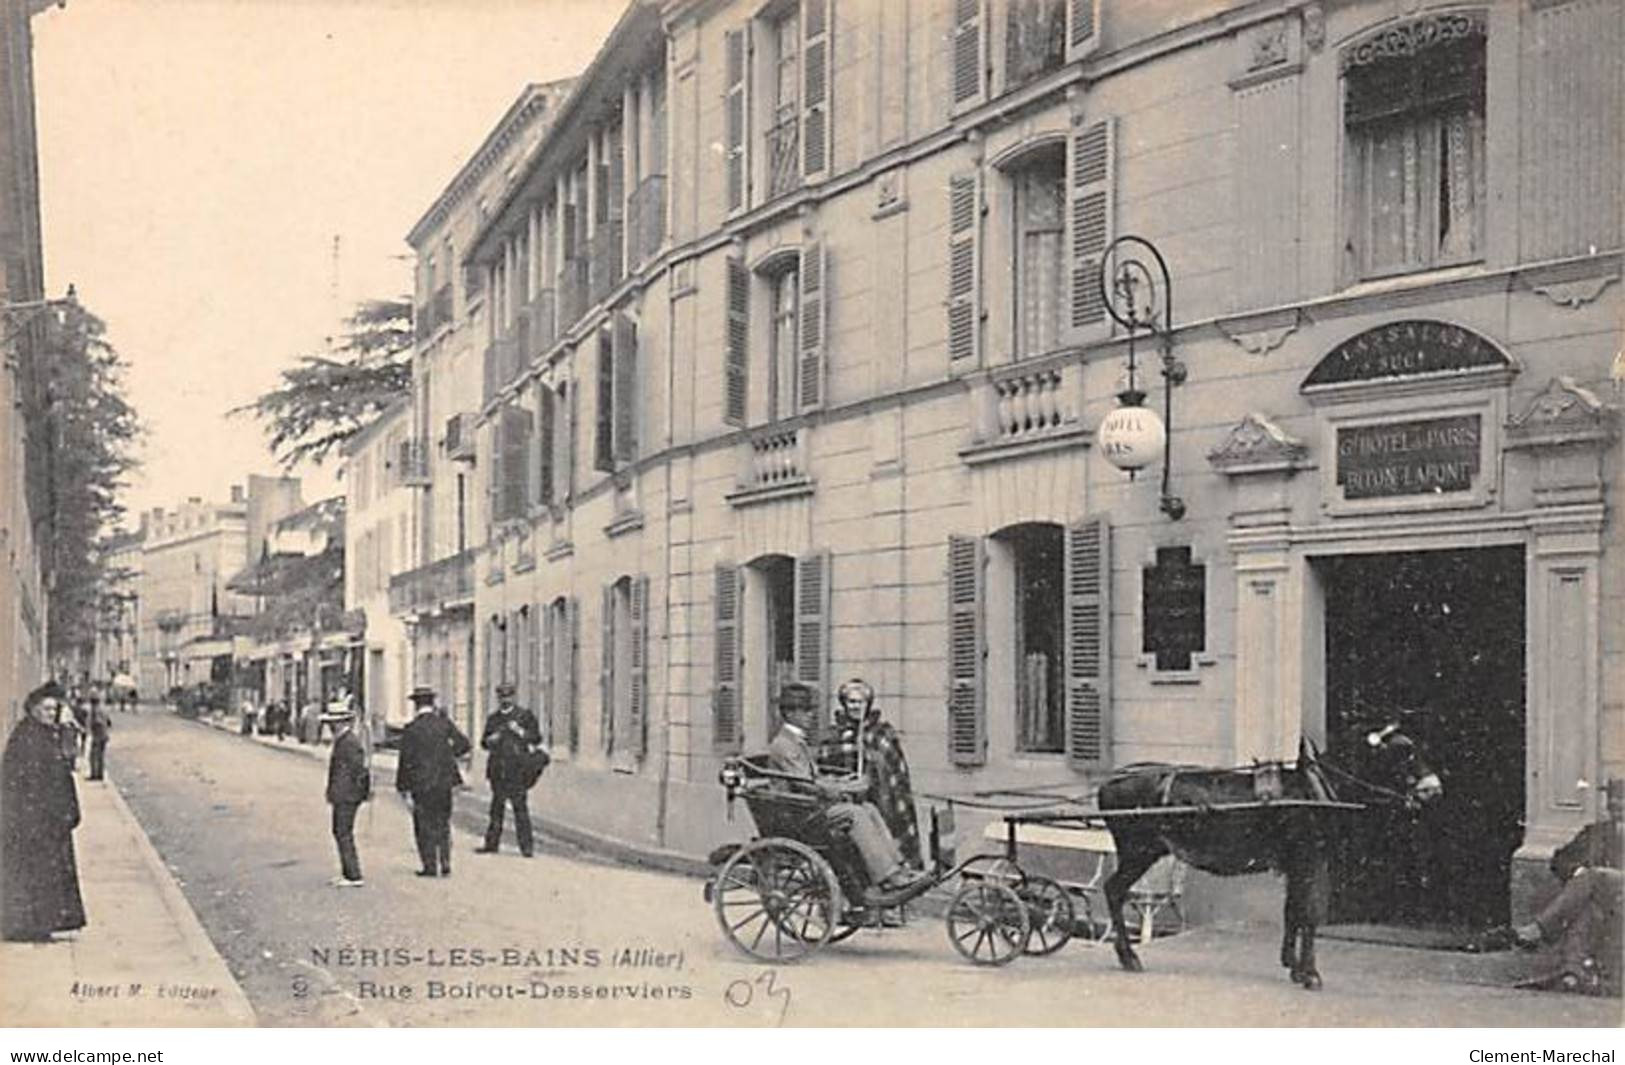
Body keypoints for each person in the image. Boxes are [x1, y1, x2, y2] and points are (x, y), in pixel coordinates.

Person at [767, 683, 928, 897]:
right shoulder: (784, 744)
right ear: (789, 713)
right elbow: (806, 784)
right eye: (805, 710)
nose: (811, 715)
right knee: (855, 813)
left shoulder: (795, 740)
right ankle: (887, 875)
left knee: (868, 807)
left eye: (810, 709)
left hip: (810, 806)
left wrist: (841, 780)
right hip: (802, 813)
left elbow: (814, 777)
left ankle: (897, 867)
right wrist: (847, 787)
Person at [1514, 780, 1623, 994]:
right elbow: (1560, 858)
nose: (1618, 808)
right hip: (1606, 897)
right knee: (1588, 906)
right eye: (1614, 802)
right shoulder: (1597, 831)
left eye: (1623, 802)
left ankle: (1541, 928)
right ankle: (1573, 973)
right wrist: (1576, 872)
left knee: (1594, 876)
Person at [2, 682, 88, 941]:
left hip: (48, 819)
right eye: (47, 709)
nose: (52, 713)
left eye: (55, 709)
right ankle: (31, 925)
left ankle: (44, 922)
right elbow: (25, 780)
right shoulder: (27, 737)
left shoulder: (45, 733)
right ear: (34, 709)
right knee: (36, 872)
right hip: (34, 820)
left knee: (48, 872)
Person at [822, 678, 923, 869]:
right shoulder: (835, 734)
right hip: (848, 799)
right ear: (844, 704)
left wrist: (875, 774)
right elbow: (826, 768)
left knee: (886, 832)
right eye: (851, 702)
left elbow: (895, 769)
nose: (856, 706)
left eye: (860, 702)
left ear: (868, 704)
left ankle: (898, 869)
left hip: (883, 797)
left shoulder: (882, 733)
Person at [395, 686, 471, 877]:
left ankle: (430, 865)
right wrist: (447, 757)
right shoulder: (444, 724)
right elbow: (464, 745)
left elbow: (405, 760)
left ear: (416, 705)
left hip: (420, 784)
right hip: (444, 782)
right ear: (432, 703)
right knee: (443, 823)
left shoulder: (411, 729)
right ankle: (445, 862)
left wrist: (402, 786)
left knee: (423, 825)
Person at [476, 681, 543, 857]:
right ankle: (491, 844)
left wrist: (520, 731)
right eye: (502, 696)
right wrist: (492, 738)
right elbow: (483, 742)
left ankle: (526, 847)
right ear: (498, 698)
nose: (505, 699)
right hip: (498, 770)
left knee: (520, 809)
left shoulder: (524, 716)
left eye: (508, 696)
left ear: (513, 697)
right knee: (496, 809)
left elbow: (536, 739)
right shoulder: (493, 719)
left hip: (517, 770)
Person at [323, 704, 370, 887]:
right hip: (344, 794)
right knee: (340, 831)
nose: (329, 726)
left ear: (341, 723)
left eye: (332, 723)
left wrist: (358, 792)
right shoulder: (344, 740)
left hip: (347, 795)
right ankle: (348, 872)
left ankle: (353, 874)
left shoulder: (349, 742)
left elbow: (357, 770)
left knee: (343, 832)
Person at [85, 694, 112, 782]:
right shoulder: (104, 709)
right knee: (101, 756)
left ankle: (95, 774)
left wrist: (92, 728)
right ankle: (100, 774)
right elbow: (109, 722)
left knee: (94, 755)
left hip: (98, 735)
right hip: (104, 734)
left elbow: (97, 721)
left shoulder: (95, 710)